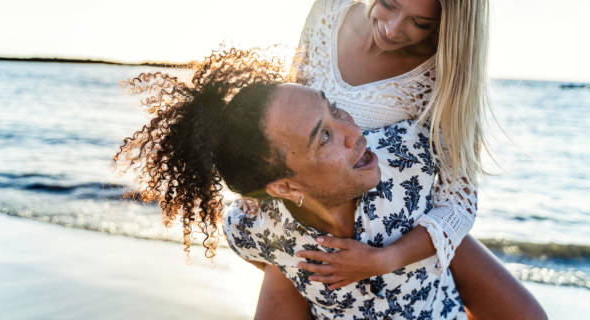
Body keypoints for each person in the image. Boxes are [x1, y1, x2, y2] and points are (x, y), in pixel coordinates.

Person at [244, 0, 546, 319]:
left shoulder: (443, 74)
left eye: (420, 23)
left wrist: (384, 260)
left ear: (444, 23)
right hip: (315, 216)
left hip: (404, 226)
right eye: (388, 3)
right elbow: (289, 116)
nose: (391, 28)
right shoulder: (325, 15)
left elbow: (457, 204)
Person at [116, 48, 469, 318]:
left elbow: (461, 204)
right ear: (284, 188)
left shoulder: (408, 154)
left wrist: (386, 259)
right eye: (325, 138)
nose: (355, 131)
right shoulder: (254, 228)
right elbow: (243, 237)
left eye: (334, 109)